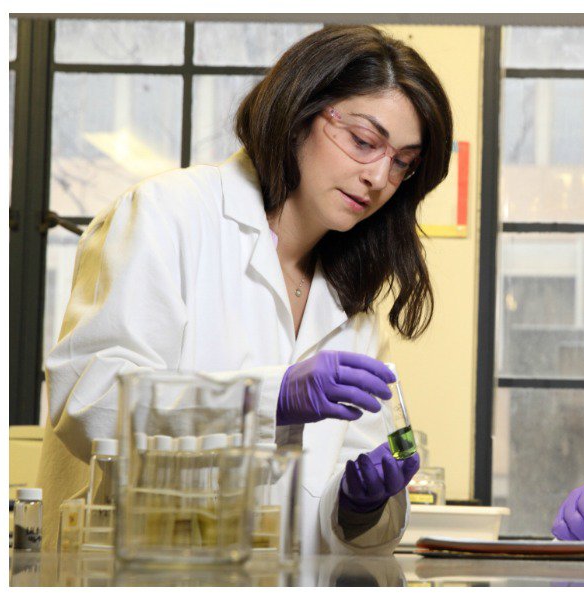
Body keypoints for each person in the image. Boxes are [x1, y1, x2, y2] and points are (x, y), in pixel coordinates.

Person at [39, 25, 454, 555]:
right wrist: (267, 398)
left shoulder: (352, 303)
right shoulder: (168, 215)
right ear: (301, 110)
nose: (379, 177)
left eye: (402, 163)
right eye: (364, 141)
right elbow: (90, 405)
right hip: (138, 571)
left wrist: (359, 507)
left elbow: (331, 525)